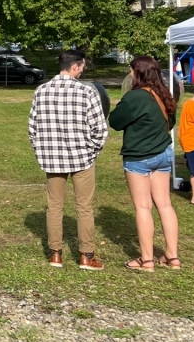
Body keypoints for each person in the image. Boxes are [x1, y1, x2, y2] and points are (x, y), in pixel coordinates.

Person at [28, 49, 108, 270]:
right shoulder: (86, 92)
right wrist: (93, 152)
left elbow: (32, 128)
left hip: (52, 158)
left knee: (54, 206)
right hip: (82, 157)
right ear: (75, 66)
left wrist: (41, 151)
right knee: (84, 207)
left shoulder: (41, 91)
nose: (82, 71)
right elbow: (100, 129)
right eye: (82, 67)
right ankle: (86, 255)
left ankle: (55, 254)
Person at [109, 56, 179, 271]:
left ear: (137, 72)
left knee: (143, 207)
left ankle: (147, 260)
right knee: (165, 204)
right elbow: (171, 121)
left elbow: (115, 121)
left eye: (131, 70)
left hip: (139, 157)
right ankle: (172, 256)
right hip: (164, 153)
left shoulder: (135, 97)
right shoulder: (164, 94)